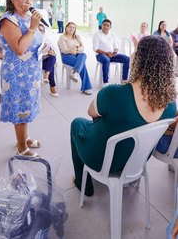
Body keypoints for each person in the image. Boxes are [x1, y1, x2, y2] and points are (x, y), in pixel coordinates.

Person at [71, 35, 177, 197]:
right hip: (137, 162)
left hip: (103, 160)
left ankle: (82, 184)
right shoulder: (170, 102)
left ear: (139, 60)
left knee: (77, 123)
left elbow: (91, 113)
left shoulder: (114, 93)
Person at [0, 0, 43, 157]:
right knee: (21, 109)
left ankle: (23, 138)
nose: (28, 2)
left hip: (31, 71)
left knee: (28, 107)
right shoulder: (8, 20)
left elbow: (34, 41)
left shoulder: (27, 17)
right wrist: (32, 27)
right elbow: (19, 48)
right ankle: (22, 147)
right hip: (17, 74)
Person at [58, 22, 92, 95]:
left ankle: (75, 73)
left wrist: (77, 50)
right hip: (66, 56)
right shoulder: (62, 37)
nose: (72, 29)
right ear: (66, 28)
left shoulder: (77, 36)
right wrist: (72, 50)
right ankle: (86, 88)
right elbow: (64, 50)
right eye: (70, 27)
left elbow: (82, 47)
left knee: (84, 54)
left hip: (77, 55)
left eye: (73, 27)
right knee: (83, 65)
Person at [93, 19, 130, 86]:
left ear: (110, 27)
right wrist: (106, 53)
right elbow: (95, 49)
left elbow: (116, 46)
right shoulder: (97, 34)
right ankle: (106, 82)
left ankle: (124, 80)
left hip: (111, 54)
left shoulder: (113, 34)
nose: (106, 27)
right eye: (104, 25)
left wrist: (115, 52)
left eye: (108, 25)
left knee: (127, 59)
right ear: (101, 25)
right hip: (100, 55)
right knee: (106, 59)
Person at [38, 24, 58, 97]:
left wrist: (51, 51)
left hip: (47, 61)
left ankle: (46, 75)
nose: (40, 32)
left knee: (53, 57)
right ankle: (52, 86)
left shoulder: (46, 40)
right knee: (51, 67)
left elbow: (54, 51)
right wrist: (43, 53)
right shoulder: (31, 40)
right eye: (38, 30)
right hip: (37, 62)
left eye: (42, 30)